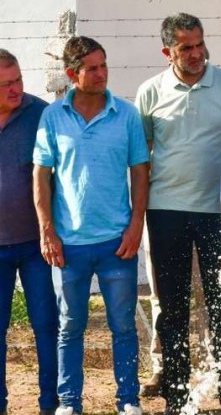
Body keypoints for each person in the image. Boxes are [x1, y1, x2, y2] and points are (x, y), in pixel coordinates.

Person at [135, 12, 221, 414]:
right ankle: (176, 397)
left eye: (199, 43)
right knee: (172, 310)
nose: (196, 53)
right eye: (185, 47)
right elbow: (141, 156)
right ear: (167, 51)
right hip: (165, 212)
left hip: (220, 215)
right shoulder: (150, 92)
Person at [32, 36, 148, 415]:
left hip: (117, 242)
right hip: (69, 244)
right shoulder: (53, 117)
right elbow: (41, 175)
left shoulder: (126, 114)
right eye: (92, 68)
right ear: (72, 74)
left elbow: (140, 171)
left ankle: (128, 400)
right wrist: (47, 231)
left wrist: (136, 224)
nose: (101, 74)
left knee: (123, 326)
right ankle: (69, 403)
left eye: (103, 65)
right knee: (70, 327)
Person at [0, 49, 58, 415]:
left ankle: (51, 403)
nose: (15, 89)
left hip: (37, 245)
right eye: (5, 84)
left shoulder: (40, 113)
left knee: (46, 324)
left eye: (18, 80)